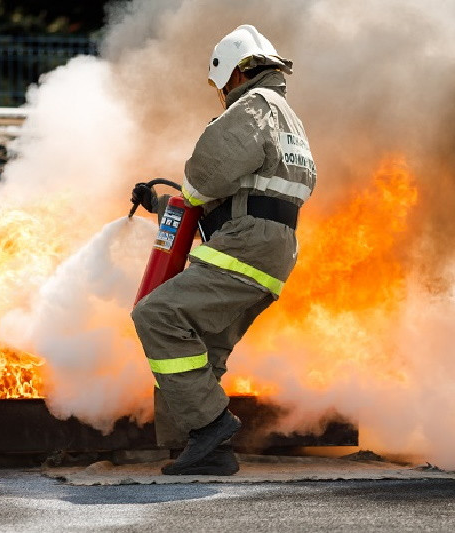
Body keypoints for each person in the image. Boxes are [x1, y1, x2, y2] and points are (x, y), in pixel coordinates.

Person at [131, 24, 316, 476]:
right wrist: (161, 204)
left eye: (222, 84)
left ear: (235, 74)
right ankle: (208, 451)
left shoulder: (256, 106)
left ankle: (211, 427)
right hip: (269, 247)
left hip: (247, 245)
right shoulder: (288, 118)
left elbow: (205, 177)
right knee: (204, 345)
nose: (222, 94)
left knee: (156, 314)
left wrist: (183, 190)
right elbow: (232, 199)